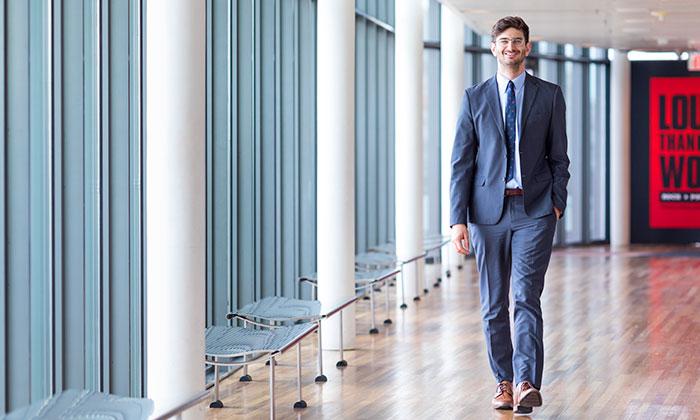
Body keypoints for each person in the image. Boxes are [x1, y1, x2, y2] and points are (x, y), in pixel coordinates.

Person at [449, 16, 570, 415]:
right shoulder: (475, 97)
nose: (511, 47)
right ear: (494, 47)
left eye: (517, 41)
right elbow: (461, 164)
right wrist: (457, 219)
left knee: (524, 297)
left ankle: (525, 383)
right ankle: (502, 381)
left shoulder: (549, 95)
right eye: (504, 41)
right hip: (486, 214)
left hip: (535, 211)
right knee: (492, 304)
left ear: (528, 48)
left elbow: (559, 158)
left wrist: (556, 202)